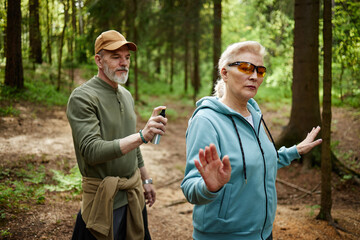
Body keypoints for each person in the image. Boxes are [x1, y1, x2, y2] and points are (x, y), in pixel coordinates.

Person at [181, 41, 322, 240]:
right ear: (225, 73)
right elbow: (190, 187)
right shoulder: (206, 121)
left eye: (260, 70)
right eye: (245, 67)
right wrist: (210, 187)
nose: (254, 76)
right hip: (223, 236)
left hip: (263, 233)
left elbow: (258, 161)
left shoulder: (254, 114)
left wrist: (294, 151)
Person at [67, 30, 167, 240]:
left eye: (127, 57)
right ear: (99, 60)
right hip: (102, 203)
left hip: (133, 197)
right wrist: (142, 135)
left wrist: (146, 179)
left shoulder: (126, 95)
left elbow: (132, 145)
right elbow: (92, 151)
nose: (124, 63)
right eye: (116, 57)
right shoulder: (83, 97)